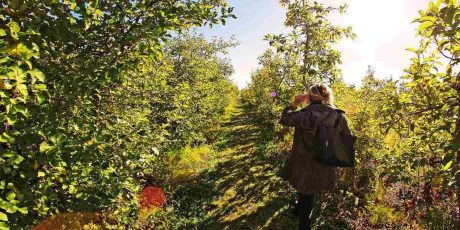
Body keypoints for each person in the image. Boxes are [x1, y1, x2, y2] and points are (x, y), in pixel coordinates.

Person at [279, 83, 352, 230]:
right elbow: (345, 139)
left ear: (309, 98)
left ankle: (302, 222)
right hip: (325, 162)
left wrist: (294, 104)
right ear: (327, 96)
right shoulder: (338, 115)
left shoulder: (304, 115)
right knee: (308, 195)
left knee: (306, 195)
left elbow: (284, 119)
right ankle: (297, 210)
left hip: (304, 164)